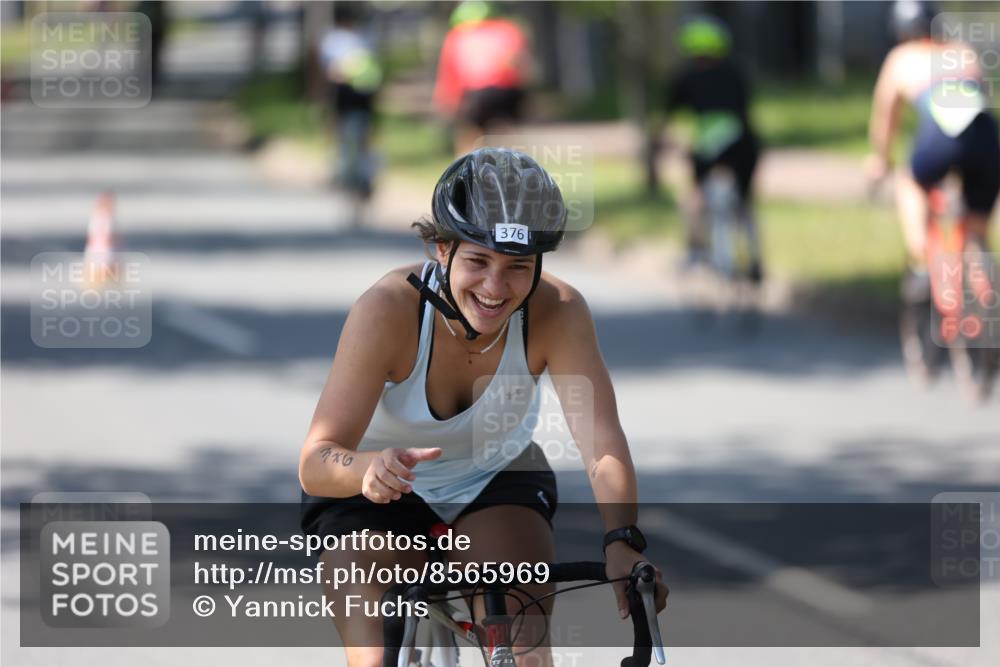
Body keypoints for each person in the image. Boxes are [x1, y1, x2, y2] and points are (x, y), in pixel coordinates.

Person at [299, 148, 667, 666]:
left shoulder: (558, 313)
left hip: (495, 479)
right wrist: (366, 469)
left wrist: (622, 539)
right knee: (374, 655)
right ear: (442, 249)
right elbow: (316, 461)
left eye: (518, 267)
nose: (496, 289)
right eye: (478, 261)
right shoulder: (386, 311)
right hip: (373, 493)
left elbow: (602, 444)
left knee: (523, 646)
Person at [865, 0, 999, 380]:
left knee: (910, 182)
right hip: (986, 140)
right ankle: (984, 287)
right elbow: (982, 97)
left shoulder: (900, 58)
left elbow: (885, 119)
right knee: (975, 229)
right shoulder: (962, 51)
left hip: (937, 140)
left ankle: (922, 265)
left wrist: (880, 160)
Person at [663, 15, 763, 283]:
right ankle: (754, 256)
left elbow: (670, 120)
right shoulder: (737, 74)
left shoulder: (685, 79)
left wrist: (664, 143)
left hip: (710, 148)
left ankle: (695, 250)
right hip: (745, 144)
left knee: (694, 197)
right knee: (744, 201)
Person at [433, 1, 531, 155]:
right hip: (509, 90)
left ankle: (465, 171)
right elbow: (522, 64)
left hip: (478, 91)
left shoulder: (457, 35)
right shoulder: (508, 29)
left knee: (469, 136)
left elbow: (450, 75)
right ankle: (514, 168)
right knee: (506, 135)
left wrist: (448, 102)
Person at [318, 5, 383, 204]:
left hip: (344, 92)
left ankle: (343, 170)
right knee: (365, 134)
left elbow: (327, 72)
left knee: (339, 129)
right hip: (365, 92)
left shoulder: (331, 39)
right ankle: (364, 171)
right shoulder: (367, 36)